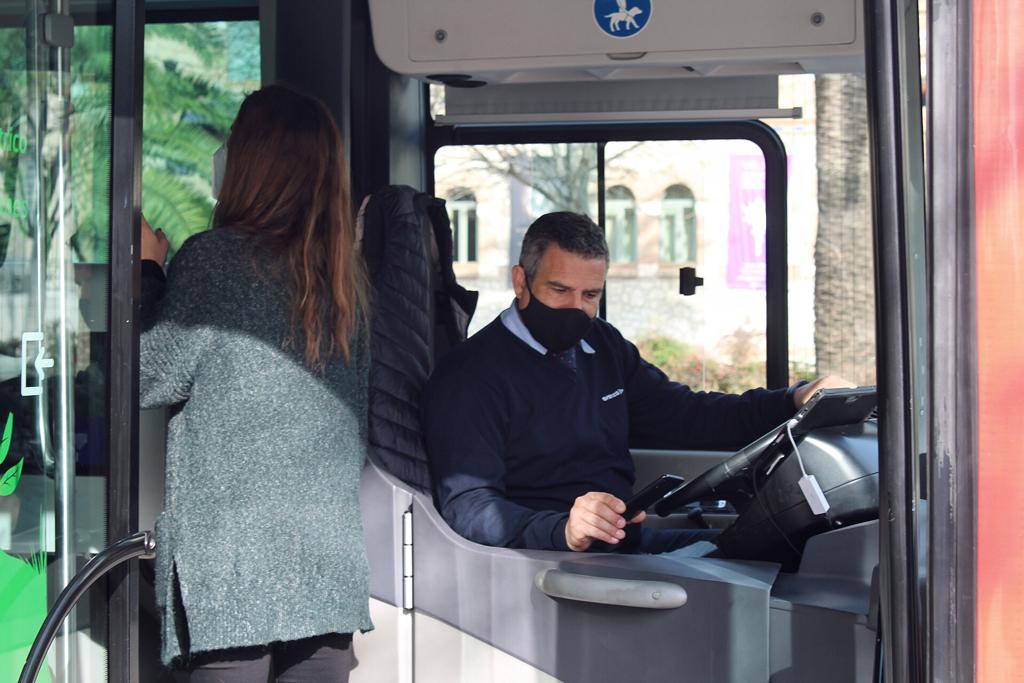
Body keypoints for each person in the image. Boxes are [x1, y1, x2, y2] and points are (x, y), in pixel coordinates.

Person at [423, 211, 850, 555]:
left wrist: (794, 399)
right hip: (552, 565)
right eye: (559, 290)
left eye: (590, 295)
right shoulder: (471, 376)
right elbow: (470, 506)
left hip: (622, 546)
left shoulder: (601, 344)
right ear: (521, 282)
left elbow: (687, 416)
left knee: (787, 552)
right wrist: (564, 529)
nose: (577, 309)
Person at [139, 85, 371, 682]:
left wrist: (145, 272)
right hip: (328, 569)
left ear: (253, 163)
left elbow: (147, 374)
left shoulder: (215, 259)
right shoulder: (346, 280)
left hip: (234, 574)